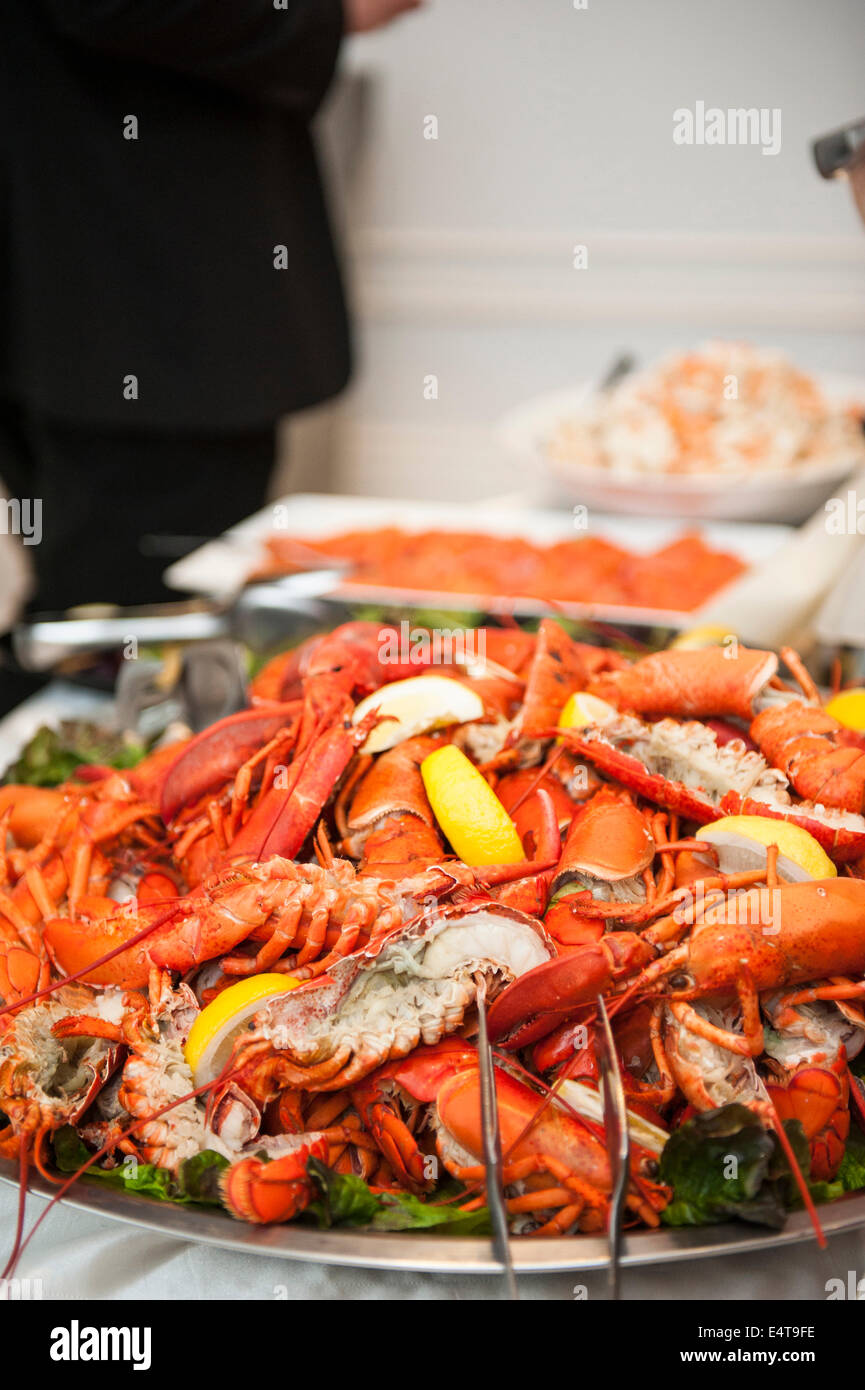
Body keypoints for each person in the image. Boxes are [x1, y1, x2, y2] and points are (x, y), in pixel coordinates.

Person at [0, 0, 421, 618]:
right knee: (138, 639)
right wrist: (325, 12)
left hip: (97, 268)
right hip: (138, 285)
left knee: (109, 618)